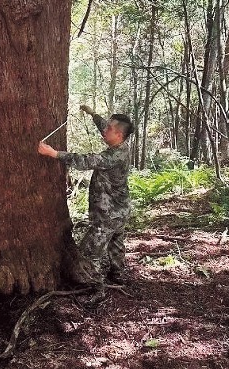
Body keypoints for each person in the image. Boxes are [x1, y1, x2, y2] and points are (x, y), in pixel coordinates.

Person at [38, 105, 134, 304]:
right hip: (120, 210)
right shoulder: (120, 144)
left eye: (109, 129)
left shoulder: (114, 156)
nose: (104, 130)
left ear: (118, 135)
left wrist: (54, 154)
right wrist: (93, 114)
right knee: (116, 244)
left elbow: (88, 160)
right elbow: (104, 127)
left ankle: (96, 289)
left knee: (90, 252)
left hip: (108, 215)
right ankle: (118, 275)